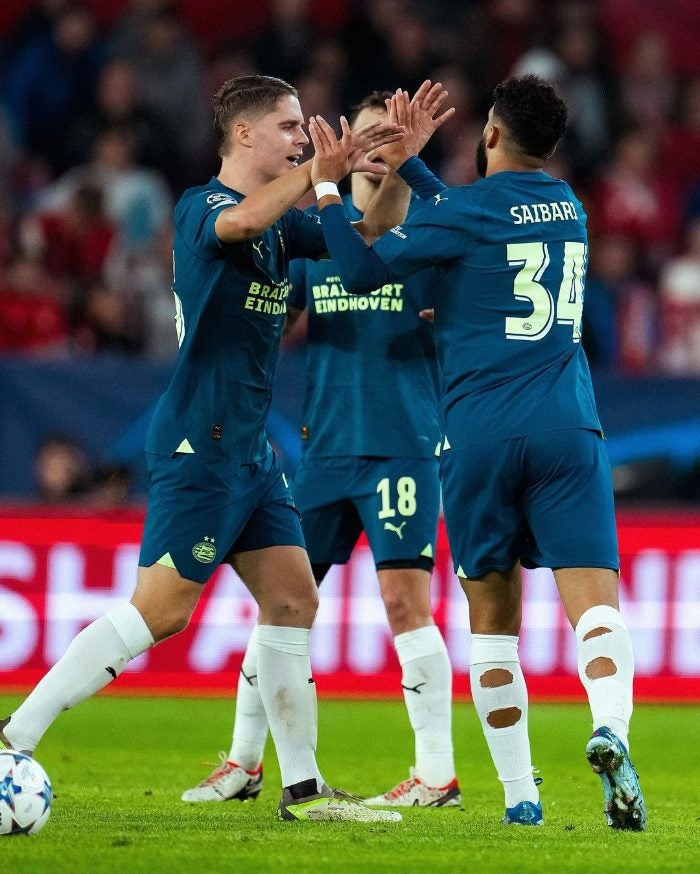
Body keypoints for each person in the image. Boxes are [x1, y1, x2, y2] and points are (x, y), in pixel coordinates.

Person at [0, 73, 423, 825]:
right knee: (160, 613)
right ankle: (15, 737)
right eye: (291, 127)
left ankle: (302, 790)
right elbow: (241, 224)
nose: (303, 136)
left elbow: (363, 234)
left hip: (251, 453)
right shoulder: (205, 207)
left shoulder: (286, 229)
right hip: (201, 442)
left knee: (294, 597)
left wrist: (388, 168)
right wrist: (315, 174)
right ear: (245, 135)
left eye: (305, 129)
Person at [304, 75, 647, 831]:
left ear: (490, 135)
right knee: (596, 609)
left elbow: (363, 267)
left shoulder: (464, 213)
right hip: (567, 427)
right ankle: (611, 731)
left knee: (493, 625)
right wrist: (417, 167)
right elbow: (477, 224)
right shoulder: (570, 208)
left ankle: (522, 796)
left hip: (478, 435)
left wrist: (331, 192)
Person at [181, 90, 460, 809]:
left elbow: (464, 259)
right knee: (282, 607)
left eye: (385, 139)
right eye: (362, 136)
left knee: (406, 604)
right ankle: (244, 762)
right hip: (324, 455)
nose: (370, 149)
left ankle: (436, 775)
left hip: (401, 448)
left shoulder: (426, 239)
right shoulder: (317, 246)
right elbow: (263, 309)